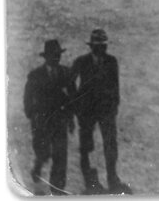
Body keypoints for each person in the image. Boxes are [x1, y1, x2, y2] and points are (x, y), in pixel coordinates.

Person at [71, 29, 130, 194]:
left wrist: (114, 105)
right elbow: (69, 82)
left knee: (110, 145)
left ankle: (112, 177)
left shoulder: (112, 62)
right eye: (98, 46)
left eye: (103, 46)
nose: (101, 49)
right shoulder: (81, 62)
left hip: (106, 111)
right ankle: (90, 181)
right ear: (92, 47)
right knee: (86, 147)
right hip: (87, 112)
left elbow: (115, 85)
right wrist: (77, 104)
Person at [24, 40, 76, 195]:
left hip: (59, 119)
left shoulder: (66, 73)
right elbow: (27, 97)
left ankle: (57, 189)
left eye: (58, 55)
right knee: (43, 151)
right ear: (46, 57)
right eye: (53, 56)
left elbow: (72, 96)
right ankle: (38, 165)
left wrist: (71, 119)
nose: (56, 58)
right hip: (41, 121)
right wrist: (31, 114)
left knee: (60, 155)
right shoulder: (35, 75)